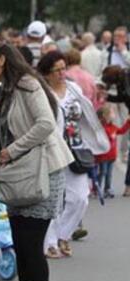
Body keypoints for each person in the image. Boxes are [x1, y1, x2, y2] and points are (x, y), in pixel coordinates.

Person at [0, 43, 73, 281]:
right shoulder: (8, 89)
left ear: (4, 60)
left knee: (31, 244)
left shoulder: (27, 85)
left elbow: (45, 124)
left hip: (44, 171)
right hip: (22, 174)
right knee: (22, 244)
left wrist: (11, 150)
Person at [38, 51, 109, 259]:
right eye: (57, 70)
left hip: (77, 150)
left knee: (80, 198)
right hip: (52, 150)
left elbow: (86, 115)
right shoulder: (42, 93)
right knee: (53, 199)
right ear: (46, 73)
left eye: (63, 68)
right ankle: (49, 242)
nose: (62, 73)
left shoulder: (74, 89)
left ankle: (63, 234)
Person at [97, 105, 130, 197]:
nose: (114, 114)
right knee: (103, 172)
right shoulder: (102, 129)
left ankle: (107, 189)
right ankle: (98, 188)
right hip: (103, 156)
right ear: (105, 115)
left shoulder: (113, 127)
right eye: (112, 112)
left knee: (109, 174)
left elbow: (122, 131)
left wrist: (128, 122)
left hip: (111, 156)